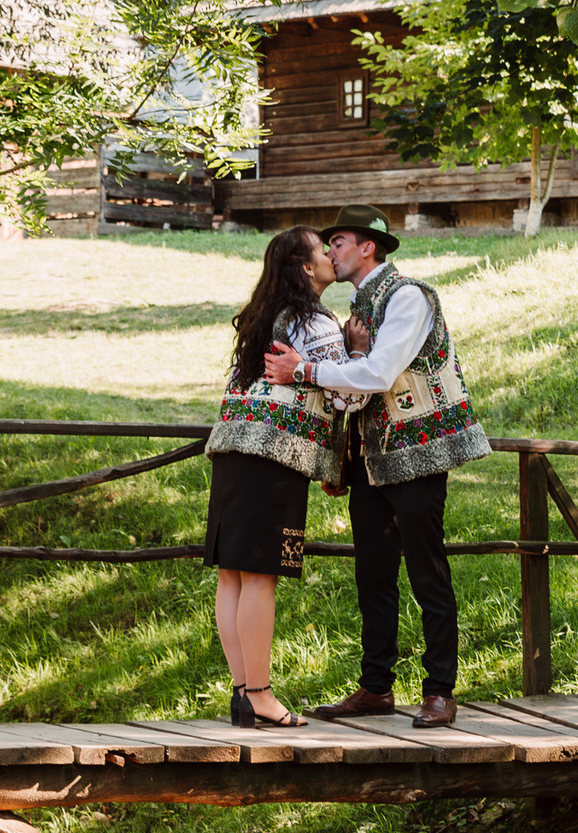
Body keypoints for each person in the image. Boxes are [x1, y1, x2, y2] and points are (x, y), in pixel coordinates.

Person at [263, 203, 491, 728]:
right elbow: (357, 391)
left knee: (427, 572)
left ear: (368, 247)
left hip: (418, 455)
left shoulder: (409, 296)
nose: (330, 251)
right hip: (371, 461)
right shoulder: (358, 310)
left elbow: (379, 373)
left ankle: (440, 691)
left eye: (337, 241)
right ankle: (376, 687)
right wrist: (340, 458)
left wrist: (304, 370)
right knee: (373, 575)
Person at [204, 226, 352, 727]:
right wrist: (355, 351)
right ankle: (261, 695)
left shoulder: (263, 316)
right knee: (260, 577)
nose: (330, 255)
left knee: (232, 575)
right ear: (307, 268)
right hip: (273, 455)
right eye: (321, 250)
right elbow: (346, 395)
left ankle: (243, 693)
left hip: (231, 449)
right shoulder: (316, 321)